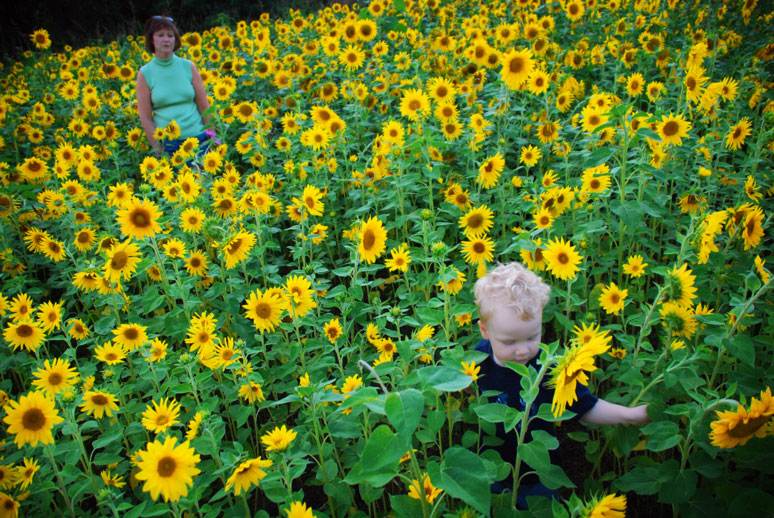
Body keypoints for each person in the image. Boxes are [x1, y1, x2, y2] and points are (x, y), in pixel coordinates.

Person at [472, 262, 649, 508]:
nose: (523, 350)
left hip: (540, 475)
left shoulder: (549, 369)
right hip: (490, 472)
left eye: (533, 336)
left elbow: (584, 406)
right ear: (484, 331)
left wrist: (629, 415)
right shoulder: (475, 363)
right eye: (509, 341)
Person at [136, 15, 213, 157]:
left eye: (170, 36)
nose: (166, 39)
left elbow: (204, 107)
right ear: (151, 40)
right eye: (160, 35)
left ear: (175, 40)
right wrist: (159, 149)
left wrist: (214, 138)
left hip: (199, 141)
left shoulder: (188, 67)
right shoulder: (145, 73)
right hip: (169, 146)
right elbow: (145, 118)